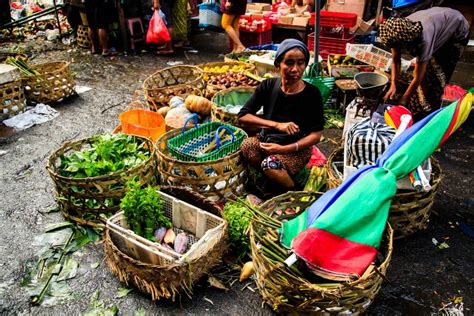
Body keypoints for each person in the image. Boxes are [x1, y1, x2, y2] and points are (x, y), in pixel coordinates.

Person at [237, 39, 324, 191]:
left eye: (301, 63)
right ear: (278, 65)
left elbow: (316, 135)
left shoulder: (312, 94)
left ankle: (293, 189)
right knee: (246, 146)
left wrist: (284, 149)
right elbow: (243, 117)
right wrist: (277, 125)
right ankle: (269, 179)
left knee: (270, 164)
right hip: (268, 141)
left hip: (296, 149)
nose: (296, 69)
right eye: (289, 63)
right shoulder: (268, 86)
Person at [380, 7, 469, 121]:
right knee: (424, 72)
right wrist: (393, 84)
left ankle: (429, 113)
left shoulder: (423, 39)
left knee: (437, 74)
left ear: (408, 41)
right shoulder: (396, 29)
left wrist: (404, 100)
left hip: (455, 31)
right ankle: (420, 102)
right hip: (439, 22)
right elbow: (396, 60)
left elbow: (417, 77)